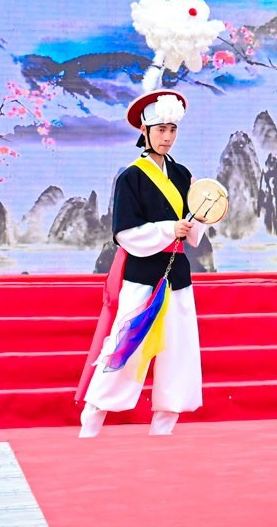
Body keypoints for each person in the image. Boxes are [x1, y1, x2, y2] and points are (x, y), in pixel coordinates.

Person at [76, 86, 206, 437]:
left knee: (178, 349)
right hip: (141, 274)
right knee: (126, 345)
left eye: (172, 130)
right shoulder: (131, 177)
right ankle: (94, 413)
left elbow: (194, 227)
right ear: (144, 132)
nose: (167, 137)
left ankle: (165, 422)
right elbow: (125, 233)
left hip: (177, 273)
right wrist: (169, 228)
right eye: (161, 129)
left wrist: (200, 219)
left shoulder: (183, 175)